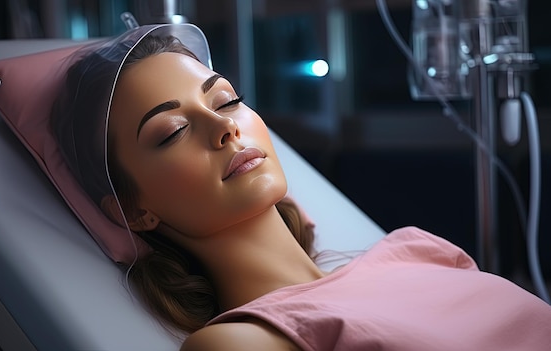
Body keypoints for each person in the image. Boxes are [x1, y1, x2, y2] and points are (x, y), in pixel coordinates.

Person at [50, 22, 551, 351]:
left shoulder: (418, 251)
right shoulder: (241, 343)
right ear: (133, 211)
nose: (225, 128)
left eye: (226, 101)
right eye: (172, 132)